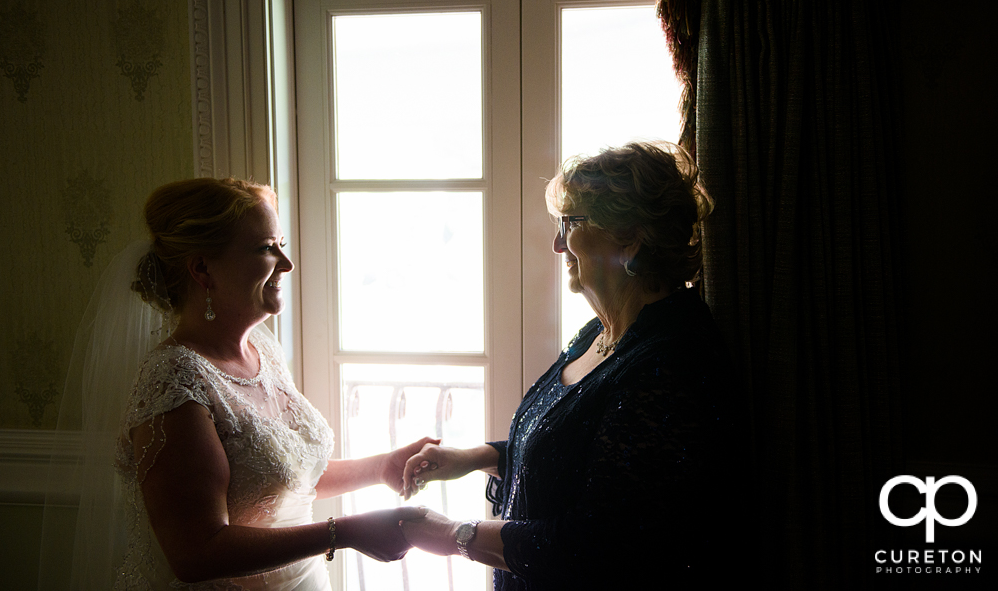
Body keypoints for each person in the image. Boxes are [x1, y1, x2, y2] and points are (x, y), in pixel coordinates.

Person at [398, 141, 745, 589]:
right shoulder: (597, 334)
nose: (558, 243)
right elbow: (572, 454)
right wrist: (472, 457)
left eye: (571, 223)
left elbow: (595, 544)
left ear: (632, 237)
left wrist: (449, 535)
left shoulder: (674, 362)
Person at [59, 178, 431, 590]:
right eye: (265, 248)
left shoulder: (261, 352)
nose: (286, 264)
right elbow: (195, 552)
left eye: (280, 244)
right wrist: (343, 532)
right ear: (202, 269)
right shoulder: (176, 382)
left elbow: (281, 477)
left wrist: (382, 467)